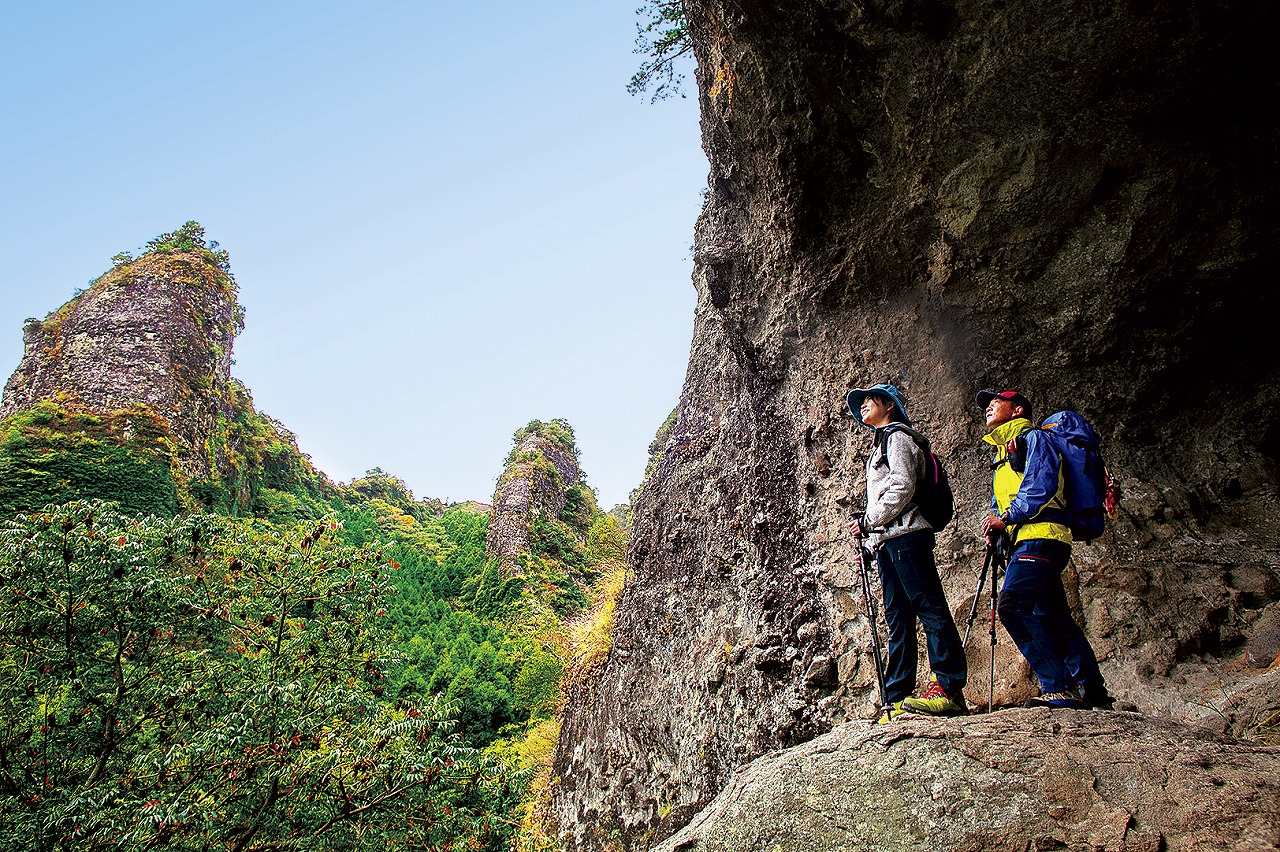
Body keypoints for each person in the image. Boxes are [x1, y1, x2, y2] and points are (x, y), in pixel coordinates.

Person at [976, 389, 1111, 709]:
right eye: (987, 403)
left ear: (1018, 409)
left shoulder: (1034, 439)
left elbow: (1042, 484)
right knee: (1052, 614)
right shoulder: (1003, 454)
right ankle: (1094, 690)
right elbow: (1008, 498)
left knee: (1012, 607)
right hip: (1034, 538)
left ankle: (1058, 684)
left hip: (1042, 536)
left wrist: (1007, 518)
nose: (990, 405)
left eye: (998, 400)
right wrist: (1000, 528)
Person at [847, 383, 967, 720]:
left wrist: (869, 522)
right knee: (898, 619)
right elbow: (885, 496)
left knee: (928, 608)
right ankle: (896, 697)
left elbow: (902, 485)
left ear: (889, 406)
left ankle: (948, 688)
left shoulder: (898, 437)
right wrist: (871, 545)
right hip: (889, 542)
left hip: (908, 537)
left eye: (871, 399)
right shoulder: (881, 444)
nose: (865, 405)